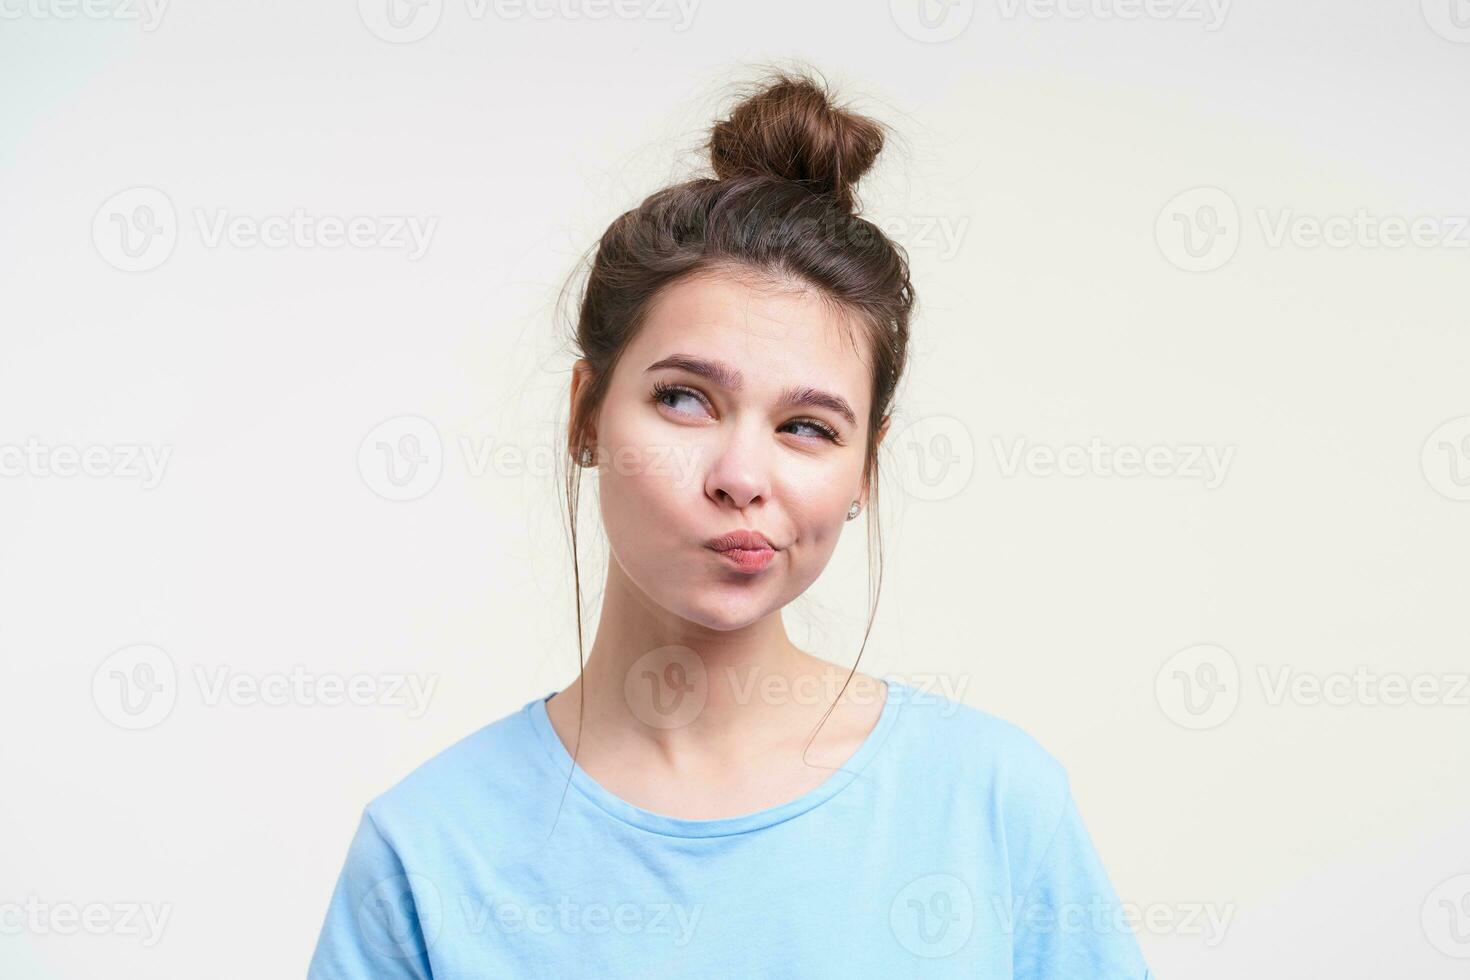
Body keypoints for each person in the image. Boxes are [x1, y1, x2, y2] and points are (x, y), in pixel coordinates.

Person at [307, 68, 1157, 978]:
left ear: (865, 466)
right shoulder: (427, 856)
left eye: (807, 427)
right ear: (586, 414)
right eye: (684, 400)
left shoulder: (994, 807)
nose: (742, 477)